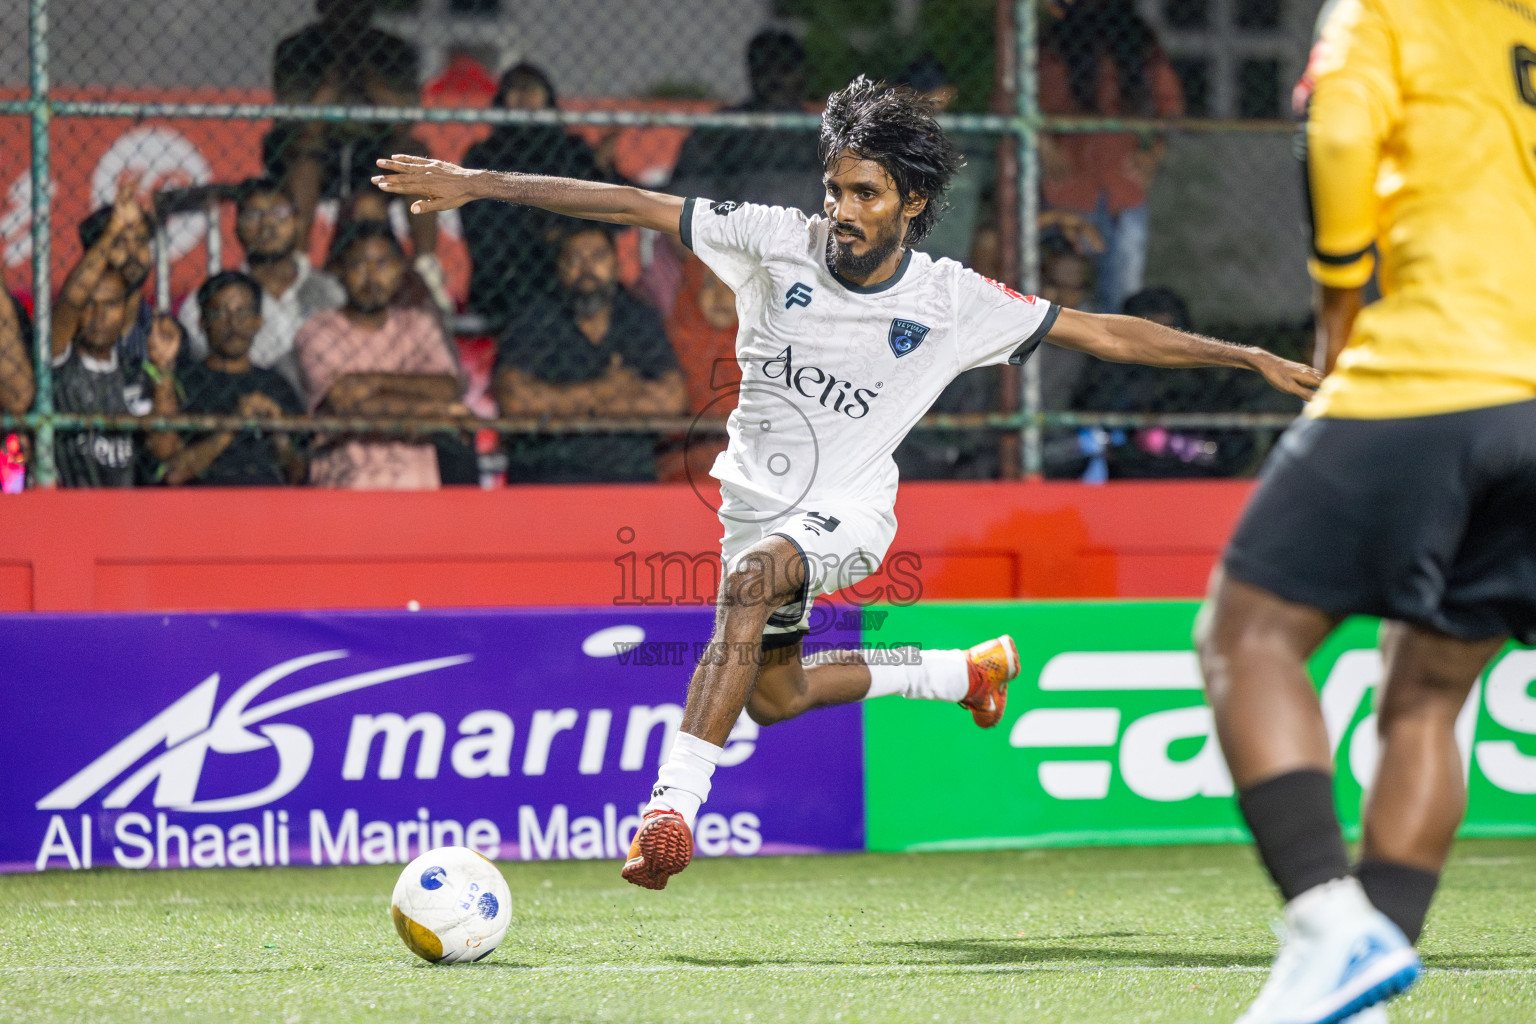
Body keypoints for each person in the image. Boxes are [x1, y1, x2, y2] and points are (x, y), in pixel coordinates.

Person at [374, 75, 1319, 892]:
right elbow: (627, 204)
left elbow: (1106, 331)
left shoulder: (951, 300)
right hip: (752, 503)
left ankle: (668, 812)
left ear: (909, 204)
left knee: (750, 591)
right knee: (773, 697)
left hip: (852, 511)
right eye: (835, 189)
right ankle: (961, 673)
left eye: (864, 192)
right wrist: (477, 184)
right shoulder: (769, 239)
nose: (842, 209)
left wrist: (1244, 355)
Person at [1194, 0, 1536, 1020]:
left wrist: (1339, 298)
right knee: (1429, 690)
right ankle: (1361, 982)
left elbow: (1339, 130)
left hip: (1434, 368)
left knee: (1246, 633)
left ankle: (1330, 919)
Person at [493, 223, 686, 482]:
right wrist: (605, 391)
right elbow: (515, 399)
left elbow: (672, 400)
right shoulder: (536, 318)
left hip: (626, 474)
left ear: (617, 265)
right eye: (575, 258)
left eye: (598, 256)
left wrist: (560, 404)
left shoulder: (638, 317)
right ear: (559, 268)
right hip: (547, 472)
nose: (587, 269)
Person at [265, 0, 439, 277]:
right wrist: (333, 80)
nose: (349, 12)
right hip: (315, 146)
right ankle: (297, 262)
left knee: (414, 153)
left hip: (374, 147)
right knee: (305, 156)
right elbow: (302, 124)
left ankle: (426, 264)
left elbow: (402, 122)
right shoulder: (296, 48)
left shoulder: (393, 49)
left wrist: (366, 74)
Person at [294, 221, 467, 489]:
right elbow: (345, 402)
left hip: (416, 487)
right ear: (340, 272)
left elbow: (447, 388)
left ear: (400, 269)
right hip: (346, 484)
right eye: (359, 265)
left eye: (382, 264)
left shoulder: (418, 324)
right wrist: (433, 410)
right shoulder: (317, 330)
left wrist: (374, 383)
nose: (372, 276)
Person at [1039, 0, 1183, 316]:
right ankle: (1060, 365)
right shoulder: (1055, 42)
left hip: (1123, 189)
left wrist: (1154, 152)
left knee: (1122, 297)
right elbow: (1017, 101)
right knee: (1065, 295)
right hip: (1070, 187)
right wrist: (1043, 144)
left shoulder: (1138, 42)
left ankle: (1112, 366)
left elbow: (1170, 106)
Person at [461, 64, 607, 329]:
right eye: (516, 89)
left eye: (533, 89)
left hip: (563, 268)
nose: (524, 97)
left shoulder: (571, 152)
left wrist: (603, 167)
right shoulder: (482, 156)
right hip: (503, 273)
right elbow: (482, 227)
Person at [178, 179, 345, 401]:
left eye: (278, 212)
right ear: (236, 228)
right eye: (254, 215)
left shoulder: (334, 294)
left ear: (298, 222)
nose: (267, 224)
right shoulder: (204, 304)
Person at [157, 272, 307, 486]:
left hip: (266, 508)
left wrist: (278, 431)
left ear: (258, 322)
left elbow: (299, 478)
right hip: (201, 506)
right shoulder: (183, 382)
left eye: (243, 313)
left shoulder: (276, 385)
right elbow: (172, 473)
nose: (232, 323)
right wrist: (233, 425)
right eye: (220, 313)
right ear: (201, 321)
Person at [668, 30, 825, 215]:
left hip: (810, 236)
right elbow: (685, 196)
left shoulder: (822, 133)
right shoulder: (722, 129)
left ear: (802, 74)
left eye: (785, 69)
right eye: (765, 70)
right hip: (734, 238)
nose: (775, 80)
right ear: (753, 73)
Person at [51, 269, 181, 487]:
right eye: (89, 303)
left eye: (111, 304)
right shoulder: (59, 365)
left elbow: (164, 448)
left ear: (125, 310)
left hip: (125, 507)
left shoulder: (136, 372)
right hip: (66, 504)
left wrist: (164, 369)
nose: (99, 315)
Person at [51, 178, 181, 367]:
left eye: (141, 241)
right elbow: (70, 302)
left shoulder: (163, 330)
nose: (134, 253)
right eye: (119, 242)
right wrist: (116, 224)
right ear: (95, 254)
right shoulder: (70, 327)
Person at [657, 254, 740, 483]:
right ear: (693, 288)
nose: (720, 296)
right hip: (686, 462)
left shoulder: (768, 346)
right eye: (710, 284)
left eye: (731, 285)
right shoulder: (673, 342)